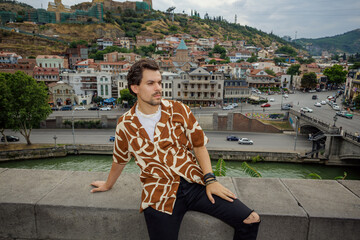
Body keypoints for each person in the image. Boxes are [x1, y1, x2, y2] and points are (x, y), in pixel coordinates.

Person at [90, 59, 260, 240]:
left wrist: (210, 180)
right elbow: (120, 159)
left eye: (159, 82)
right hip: (159, 193)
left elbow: (199, 144)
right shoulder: (125, 124)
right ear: (135, 88)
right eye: (150, 83)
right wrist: (108, 184)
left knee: (251, 219)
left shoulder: (179, 110)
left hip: (194, 184)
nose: (158, 88)